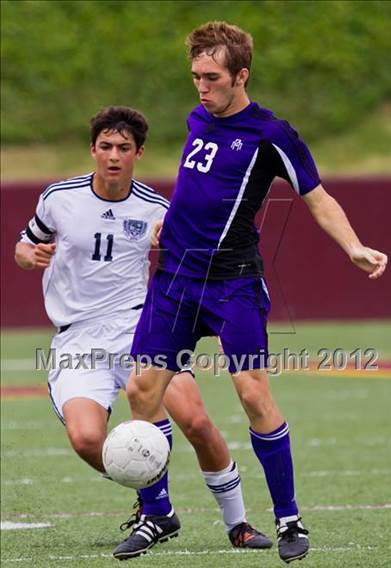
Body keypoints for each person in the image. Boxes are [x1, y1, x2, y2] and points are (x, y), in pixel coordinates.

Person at [124, 22, 389, 565]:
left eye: (212, 77)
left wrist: (354, 247)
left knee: (251, 393)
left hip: (233, 284)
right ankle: (156, 513)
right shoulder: (198, 117)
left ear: (240, 76)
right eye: (195, 75)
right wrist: (168, 224)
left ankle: (288, 517)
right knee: (141, 390)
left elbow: (316, 197)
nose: (201, 86)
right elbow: (200, 190)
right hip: (175, 278)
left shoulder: (272, 133)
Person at [14, 106, 273, 557]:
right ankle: (158, 509)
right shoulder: (59, 198)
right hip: (78, 338)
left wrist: (171, 245)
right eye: (106, 147)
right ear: (93, 149)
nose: (114, 156)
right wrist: (27, 255)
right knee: (87, 439)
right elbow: (25, 243)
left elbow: (192, 264)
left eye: (124, 148)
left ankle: (238, 523)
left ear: (139, 154)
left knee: (194, 420)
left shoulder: (156, 207)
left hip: (141, 327)